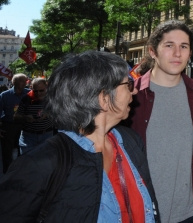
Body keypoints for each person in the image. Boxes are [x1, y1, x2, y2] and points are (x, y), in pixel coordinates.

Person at [0, 51, 158, 223]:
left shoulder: (130, 140)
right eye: (128, 84)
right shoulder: (39, 165)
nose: (134, 90)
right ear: (103, 98)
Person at [128, 20, 193, 223]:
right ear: (153, 52)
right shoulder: (132, 94)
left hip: (189, 213)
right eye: (169, 45)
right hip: (142, 212)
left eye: (184, 46)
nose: (177, 53)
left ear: (190, 53)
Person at [14, 78, 54, 154]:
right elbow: (16, 117)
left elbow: (61, 114)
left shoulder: (52, 98)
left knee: (45, 162)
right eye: (35, 91)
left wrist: (49, 114)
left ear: (46, 87)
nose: (38, 93)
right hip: (29, 137)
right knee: (27, 162)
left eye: (41, 90)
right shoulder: (26, 99)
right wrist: (26, 117)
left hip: (46, 135)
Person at [0, 73, 30, 173]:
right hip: (8, 126)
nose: (25, 83)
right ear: (15, 82)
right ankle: (7, 173)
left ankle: (20, 172)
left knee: (23, 150)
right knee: (7, 151)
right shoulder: (4, 95)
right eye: (22, 81)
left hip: (25, 125)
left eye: (25, 81)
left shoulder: (29, 94)